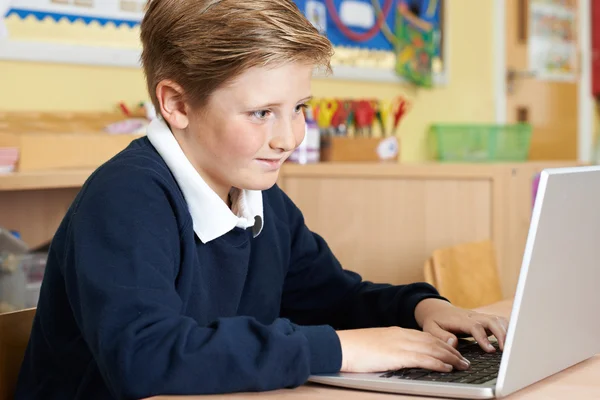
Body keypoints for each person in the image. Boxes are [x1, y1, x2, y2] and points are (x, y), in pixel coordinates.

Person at [15, 1, 508, 399]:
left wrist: (420, 307)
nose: (289, 137)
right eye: (261, 113)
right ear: (177, 103)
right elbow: (145, 358)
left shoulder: (254, 196)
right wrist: (336, 351)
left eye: (299, 109)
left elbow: (333, 299)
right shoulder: (126, 199)